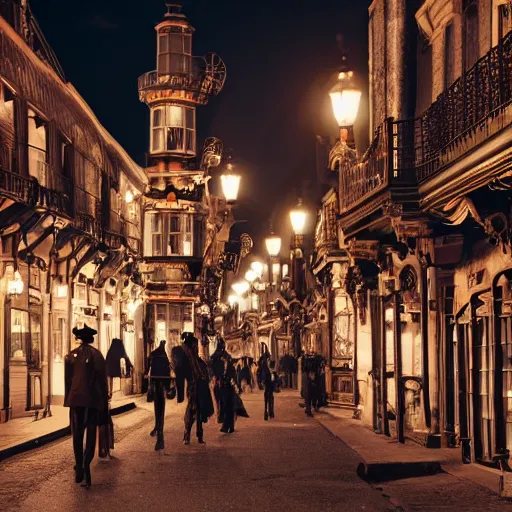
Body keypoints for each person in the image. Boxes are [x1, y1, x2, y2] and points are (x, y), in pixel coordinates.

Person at [64, 324, 108, 488]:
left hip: (75, 400)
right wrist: (104, 401)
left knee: (77, 435)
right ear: (91, 338)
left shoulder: (70, 356)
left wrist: (68, 399)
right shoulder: (97, 355)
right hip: (93, 400)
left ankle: (79, 467)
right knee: (90, 435)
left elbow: (68, 381)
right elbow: (102, 382)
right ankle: (87, 467)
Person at [173, 333, 213, 445]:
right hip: (192, 388)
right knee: (191, 411)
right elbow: (181, 372)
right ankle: (187, 435)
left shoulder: (196, 359)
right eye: (195, 345)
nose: (196, 347)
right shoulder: (187, 358)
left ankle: (199, 435)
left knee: (200, 411)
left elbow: (204, 371)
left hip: (200, 387)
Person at [148, 340, 171, 451]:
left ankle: (158, 430)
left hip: (156, 387)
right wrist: (167, 387)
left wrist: (151, 387)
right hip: (161, 389)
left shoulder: (154, 355)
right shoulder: (163, 356)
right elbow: (167, 372)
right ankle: (159, 434)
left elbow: (150, 372)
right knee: (160, 411)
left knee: (157, 410)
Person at [258, 343, 274, 421]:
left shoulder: (262, 361)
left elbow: (259, 371)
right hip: (268, 380)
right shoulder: (267, 361)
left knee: (267, 396)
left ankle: (267, 412)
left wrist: (260, 381)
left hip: (266, 380)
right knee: (270, 396)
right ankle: (269, 412)